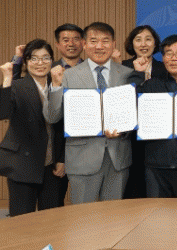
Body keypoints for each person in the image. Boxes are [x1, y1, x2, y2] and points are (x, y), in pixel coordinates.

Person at [48, 22, 133, 204]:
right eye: (93, 41)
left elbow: (135, 115)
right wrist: (55, 86)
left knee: (114, 215)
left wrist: (124, 130)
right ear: (85, 45)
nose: (99, 46)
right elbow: (52, 116)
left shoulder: (127, 74)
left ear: (114, 44)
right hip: (82, 159)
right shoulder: (67, 75)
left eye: (105, 41)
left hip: (118, 158)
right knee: (83, 217)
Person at [127, 34, 177, 198]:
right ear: (163, 58)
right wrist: (138, 74)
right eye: (168, 53)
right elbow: (128, 107)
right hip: (156, 165)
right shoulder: (151, 85)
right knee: (157, 212)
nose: (173, 58)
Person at [0, 40, 63, 216]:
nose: (40, 63)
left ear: (52, 60)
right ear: (26, 62)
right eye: (34, 58)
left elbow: (63, 125)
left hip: (51, 166)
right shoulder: (17, 85)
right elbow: (2, 112)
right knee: (22, 221)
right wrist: (7, 78)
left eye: (45, 58)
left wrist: (62, 158)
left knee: (51, 220)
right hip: (23, 164)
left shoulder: (57, 83)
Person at [121, 24, 167, 199]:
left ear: (155, 43)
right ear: (132, 44)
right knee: (133, 186)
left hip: (157, 136)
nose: (143, 44)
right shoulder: (122, 67)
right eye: (138, 39)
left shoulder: (165, 68)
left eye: (148, 39)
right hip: (130, 136)